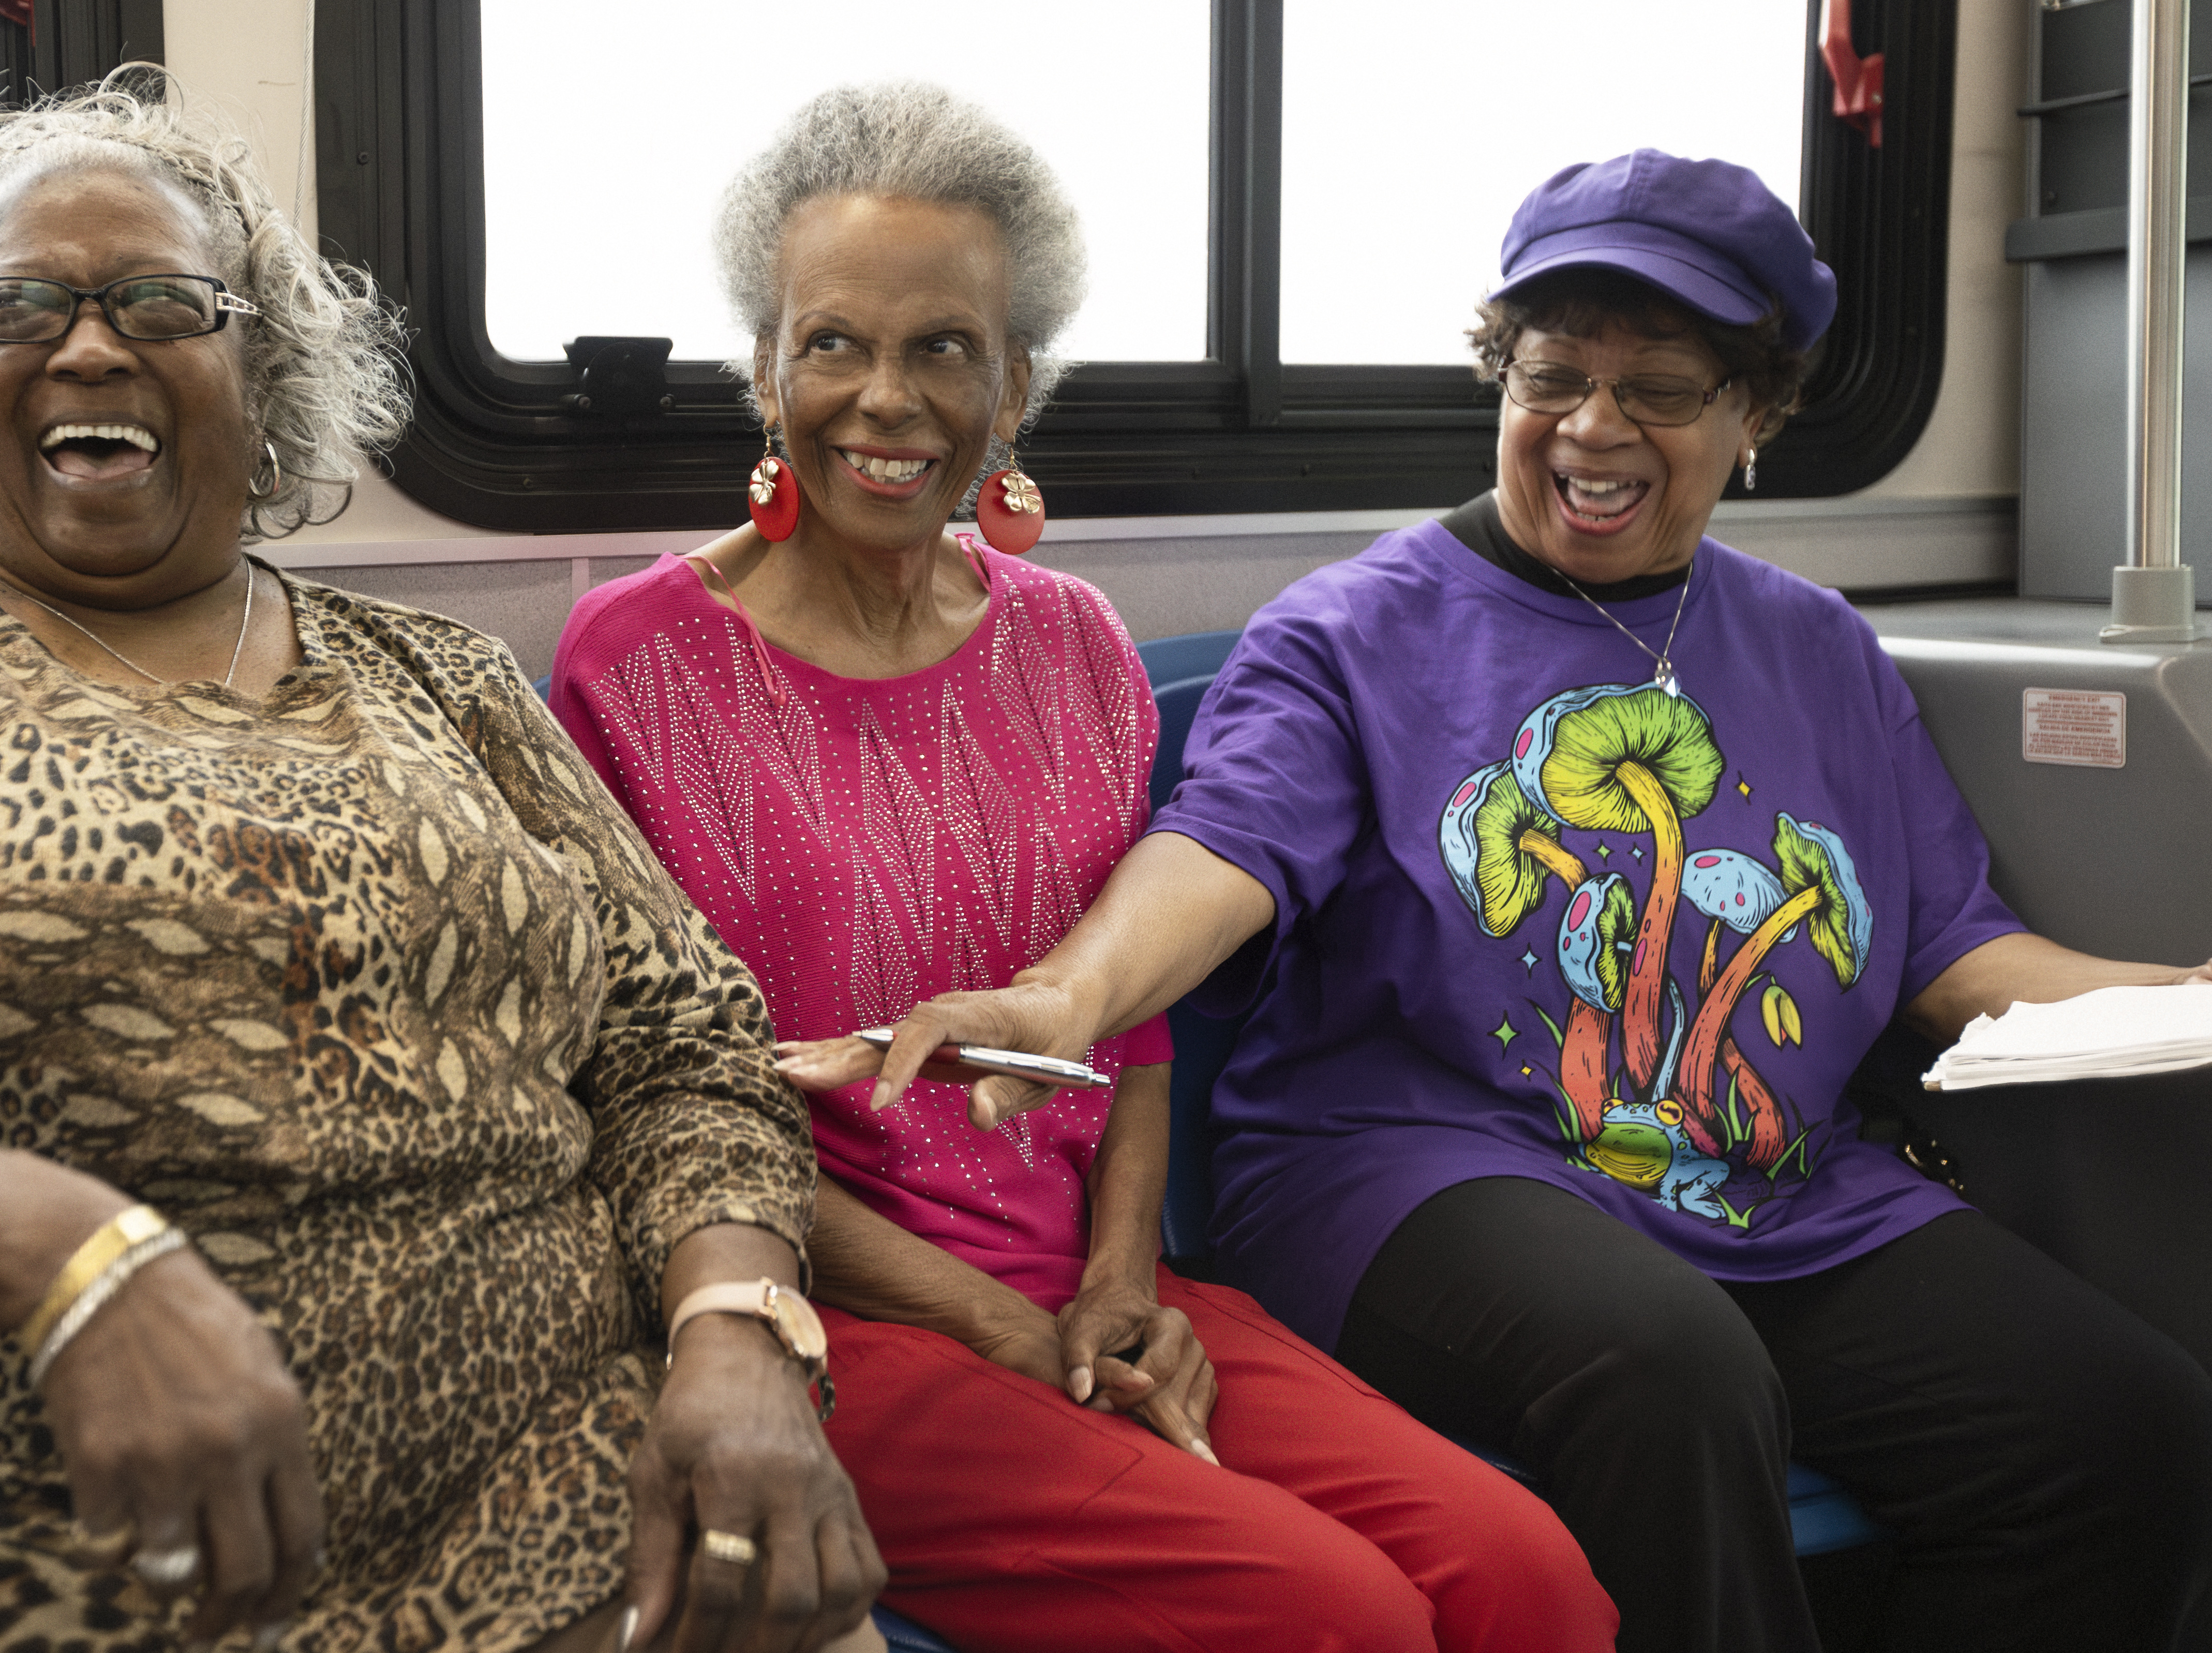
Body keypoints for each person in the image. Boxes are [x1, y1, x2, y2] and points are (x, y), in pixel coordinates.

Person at [0, 72, 882, 1653]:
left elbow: (685, 1043)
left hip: (562, 1521)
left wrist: (741, 1335)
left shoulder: (446, 681)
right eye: (18, 305)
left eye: (164, 300)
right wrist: (73, 1260)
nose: (91, 345)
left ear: (259, 371)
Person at [789, 148, 2212, 1652]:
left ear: (1755, 417)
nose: (1595, 428)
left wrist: (2181, 998)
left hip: (1767, 1196)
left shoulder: (1822, 650)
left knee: (2132, 1428)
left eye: (1660, 389)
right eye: (1552, 379)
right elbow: (1223, 846)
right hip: (1417, 1175)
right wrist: (1068, 999)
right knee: (1666, 1368)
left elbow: (1954, 950)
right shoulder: (1354, 630)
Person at [552, 82, 1616, 1653]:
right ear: (763, 370)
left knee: (1527, 1575)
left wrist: (1125, 1283)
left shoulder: (1072, 644)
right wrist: (1004, 1326)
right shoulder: (636, 662)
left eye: (944, 349)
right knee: (1341, 1624)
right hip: (832, 1310)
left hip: (1092, 1281)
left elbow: (1132, 1029)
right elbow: (663, 1096)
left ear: (1017, 383)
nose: (883, 399)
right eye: (833, 342)